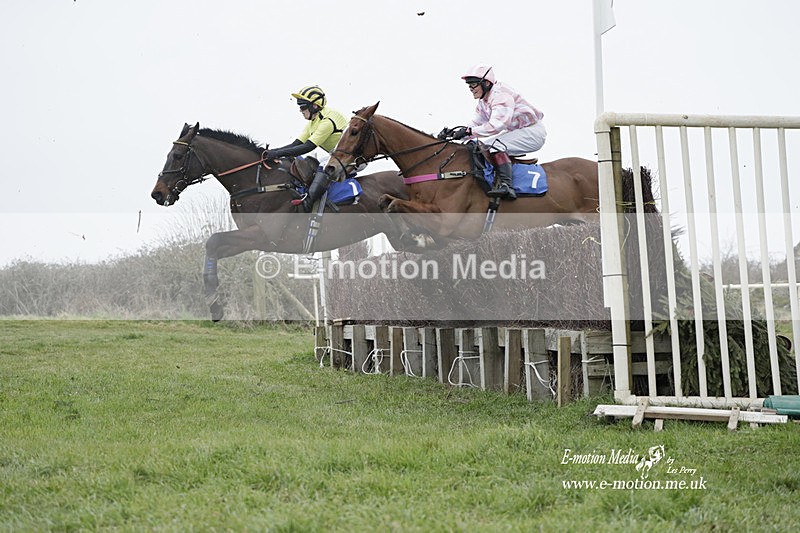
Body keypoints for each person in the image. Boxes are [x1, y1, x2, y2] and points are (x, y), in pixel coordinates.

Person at [439, 64, 546, 200]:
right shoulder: (484, 102)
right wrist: (454, 135)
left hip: (532, 132)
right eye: (469, 85)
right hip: (520, 131)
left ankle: (507, 186)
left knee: (496, 146)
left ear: (486, 83)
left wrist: (468, 132)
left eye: (473, 85)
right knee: (481, 147)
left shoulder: (500, 96)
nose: (471, 89)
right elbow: (476, 124)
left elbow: (496, 126)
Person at [263, 85, 349, 211]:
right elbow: (296, 144)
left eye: (303, 107)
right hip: (336, 156)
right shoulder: (313, 122)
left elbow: (308, 146)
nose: (300, 110)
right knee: (308, 162)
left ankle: (309, 203)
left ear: (314, 106)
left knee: (322, 166)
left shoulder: (327, 120)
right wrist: (272, 152)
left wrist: (278, 154)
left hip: (351, 158)